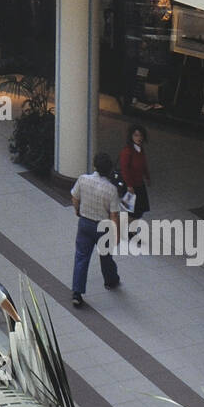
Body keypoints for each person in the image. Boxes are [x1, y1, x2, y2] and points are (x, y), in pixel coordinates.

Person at [70, 151, 121, 308]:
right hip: (102, 227)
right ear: (110, 169)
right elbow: (114, 215)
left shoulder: (83, 179)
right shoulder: (111, 190)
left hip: (85, 223)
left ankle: (77, 293)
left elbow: (75, 197)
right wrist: (116, 234)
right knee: (105, 255)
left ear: (95, 166)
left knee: (81, 257)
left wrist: (77, 210)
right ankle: (111, 280)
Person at [118, 125, 151, 220]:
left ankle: (131, 230)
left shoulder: (140, 150)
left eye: (140, 135)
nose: (139, 138)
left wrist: (147, 177)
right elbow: (124, 169)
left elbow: (143, 164)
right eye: (136, 135)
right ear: (131, 137)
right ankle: (129, 231)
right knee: (132, 211)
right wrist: (129, 185)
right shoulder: (127, 151)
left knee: (139, 210)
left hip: (139, 184)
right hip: (131, 187)